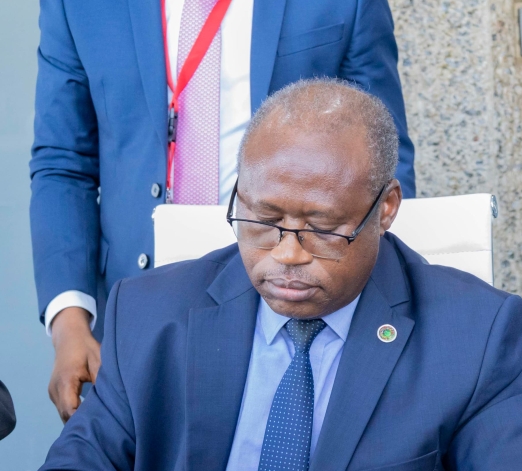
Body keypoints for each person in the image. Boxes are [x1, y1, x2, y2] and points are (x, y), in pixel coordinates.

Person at [14, 79, 522, 471]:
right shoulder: (151, 313)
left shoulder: (470, 328)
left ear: (385, 208)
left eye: (321, 226)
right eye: (263, 219)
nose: (286, 253)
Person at [33, 0, 417, 423]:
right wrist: (69, 321)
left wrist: (386, 316)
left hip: (291, 293)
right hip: (139, 305)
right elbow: (64, 165)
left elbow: (382, 159)